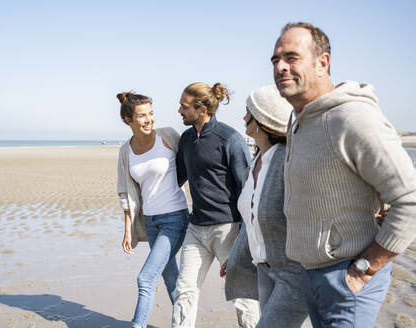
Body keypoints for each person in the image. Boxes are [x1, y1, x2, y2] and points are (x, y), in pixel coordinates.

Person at [271, 22, 416, 327]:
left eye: (292, 57)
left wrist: (366, 268)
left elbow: (410, 198)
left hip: (348, 278)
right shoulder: (297, 119)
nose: (281, 67)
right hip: (310, 275)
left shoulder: (353, 117)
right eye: (276, 60)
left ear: (322, 62)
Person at [172, 82, 260, 328]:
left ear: (201, 109)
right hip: (196, 228)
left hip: (228, 230)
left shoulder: (230, 138)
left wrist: (243, 237)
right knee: (184, 290)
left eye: (184, 106)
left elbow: (247, 188)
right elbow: (177, 178)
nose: (179, 110)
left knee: (243, 297)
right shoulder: (187, 139)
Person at [222, 85, 309, 327]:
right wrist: (236, 255)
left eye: (247, 112)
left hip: (293, 272)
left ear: (260, 120)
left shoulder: (288, 160)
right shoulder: (255, 161)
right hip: (264, 268)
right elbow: (252, 217)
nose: (242, 117)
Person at [116, 91, 189, 328]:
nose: (149, 120)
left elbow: (193, 162)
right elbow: (126, 193)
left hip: (175, 218)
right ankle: (184, 323)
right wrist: (128, 230)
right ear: (129, 120)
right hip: (150, 221)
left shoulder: (167, 136)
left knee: (146, 278)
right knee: (170, 277)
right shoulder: (126, 151)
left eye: (151, 113)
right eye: (142, 115)